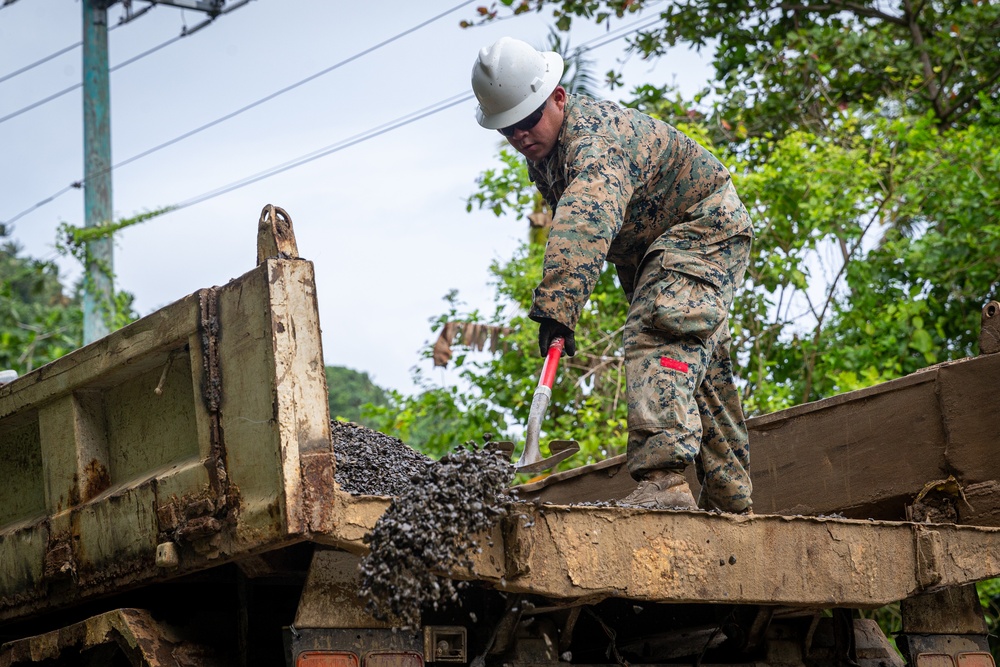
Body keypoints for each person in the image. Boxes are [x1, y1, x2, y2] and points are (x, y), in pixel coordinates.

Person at [470, 37, 754, 513]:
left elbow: (585, 222)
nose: (520, 135)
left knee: (658, 334)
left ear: (558, 97)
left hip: (702, 228)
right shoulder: (545, 159)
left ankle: (664, 484)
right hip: (660, 249)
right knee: (699, 366)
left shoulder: (594, 142)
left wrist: (558, 310)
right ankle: (731, 500)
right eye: (508, 128)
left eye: (528, 120)